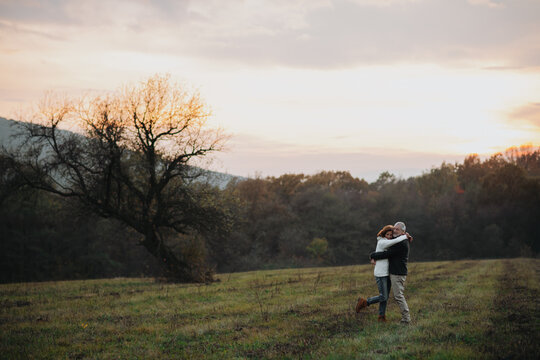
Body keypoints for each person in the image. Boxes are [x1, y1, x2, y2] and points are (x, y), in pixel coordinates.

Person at [355, 225, 409, 322]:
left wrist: (405, 236)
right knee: (383, 296)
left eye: (390, 234)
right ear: (383, 234)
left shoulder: (394, 242)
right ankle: (365, 302)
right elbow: (386, 251)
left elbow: (391, 246)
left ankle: (381, 317)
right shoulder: (384, 242)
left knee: (385, 297)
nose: (389, 236)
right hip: (381, 273)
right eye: (387, 234)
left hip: (388, 272)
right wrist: (405, 236)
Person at [369, 222, 412, 324]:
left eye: (397, 229)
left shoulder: (401, 243)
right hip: (393, 272)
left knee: (398, 296)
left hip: (398, 273)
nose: (394, 231)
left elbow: (387, 254)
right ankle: (382, 316)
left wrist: (372, 255)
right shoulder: (397, 240)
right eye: (394, 229)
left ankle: (406, 319)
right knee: (387, 295)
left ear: (403, 231)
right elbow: (385, 241)